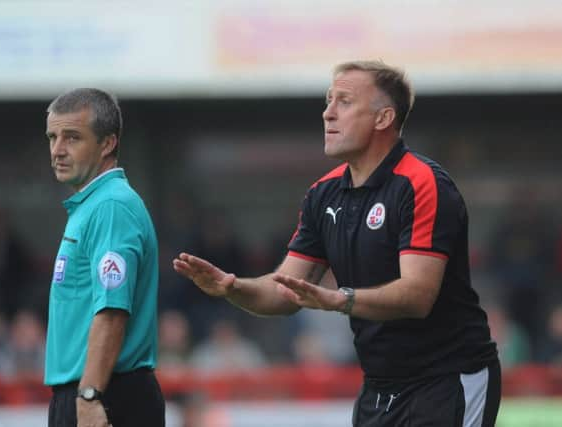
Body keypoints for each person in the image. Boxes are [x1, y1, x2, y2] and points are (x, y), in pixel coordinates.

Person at [174, 60, 501, 427]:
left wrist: (339, 299)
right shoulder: (323, 194)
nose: (328, 113)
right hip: (379, 387)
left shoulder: (423, 183)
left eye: (344, 102)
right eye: (328, 101)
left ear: (383, 118)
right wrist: (232, 287)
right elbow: (284, 292)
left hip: (448, 379)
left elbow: (417, 296)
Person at [44, 88, 164, 427]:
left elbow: (112, 310)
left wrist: (90, 396)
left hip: (107, 395)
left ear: (107, 143)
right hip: (92, 391)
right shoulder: (93, 205)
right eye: (53, 137)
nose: (57, 150)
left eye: (72, 138)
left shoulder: (110, 207)